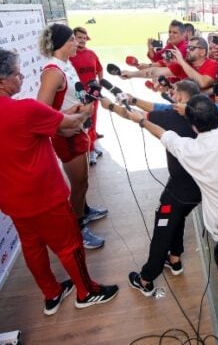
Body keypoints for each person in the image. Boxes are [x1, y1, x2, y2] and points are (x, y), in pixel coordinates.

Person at [0, 49, 118, 315]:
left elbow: (52, 123)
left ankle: (52, 294)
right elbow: (72, 122)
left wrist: (72, 113)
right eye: (17, 73)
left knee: (33, 249)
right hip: (45, 197)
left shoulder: (27, 111)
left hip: (11, 200)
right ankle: (87, 292)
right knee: (70, 245)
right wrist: (85, 112)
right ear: (2, 80)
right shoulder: (26, 109)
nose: (21, 77)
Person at [101, 80, 202, 296]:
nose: (171, 97)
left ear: (182, 98)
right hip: (199, 189)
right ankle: (174, 260)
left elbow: (133, 116)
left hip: (179, 191)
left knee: (162, 227)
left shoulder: (170, 117)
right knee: (179, 216)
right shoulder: (205, 115)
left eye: (174, 94)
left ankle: (146, 279)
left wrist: (109, 105)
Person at [121, 95, 218, 240]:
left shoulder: (189, 150)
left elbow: (163, 134)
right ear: (217, 116)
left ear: (193, 126)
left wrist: (141, 120)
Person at [36, 23, 105, 250]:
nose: (77, 43)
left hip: (78, 130)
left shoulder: (66, 65)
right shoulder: (53, 71)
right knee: (79, 183)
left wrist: (86, 104)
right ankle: (77, 227)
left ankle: (83, 210)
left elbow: (73, 97)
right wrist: (61, 127)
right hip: (68, 136)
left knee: (83, 182)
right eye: (72, 40)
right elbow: (40, 113)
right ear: (63, 43)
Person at [121, 37, 218, 94]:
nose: (188, 50)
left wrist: (181, 61)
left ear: (202, 52)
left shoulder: (212, 63)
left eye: (192, 48)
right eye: (188, 47)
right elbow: (154, 71)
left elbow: (203, 83)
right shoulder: (184, 64)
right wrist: (131, 74)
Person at [69, 26, 104, 165]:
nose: (82, 40)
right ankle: (89, 151)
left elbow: (100, 70)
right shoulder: (70, 56)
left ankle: (92, 148)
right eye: (79, 38)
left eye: (85, 38)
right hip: (78, 98)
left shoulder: (92, 54)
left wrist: (100, 84)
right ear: (73, 39)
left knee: (93, 123)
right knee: (85, 125)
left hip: (93, 96)